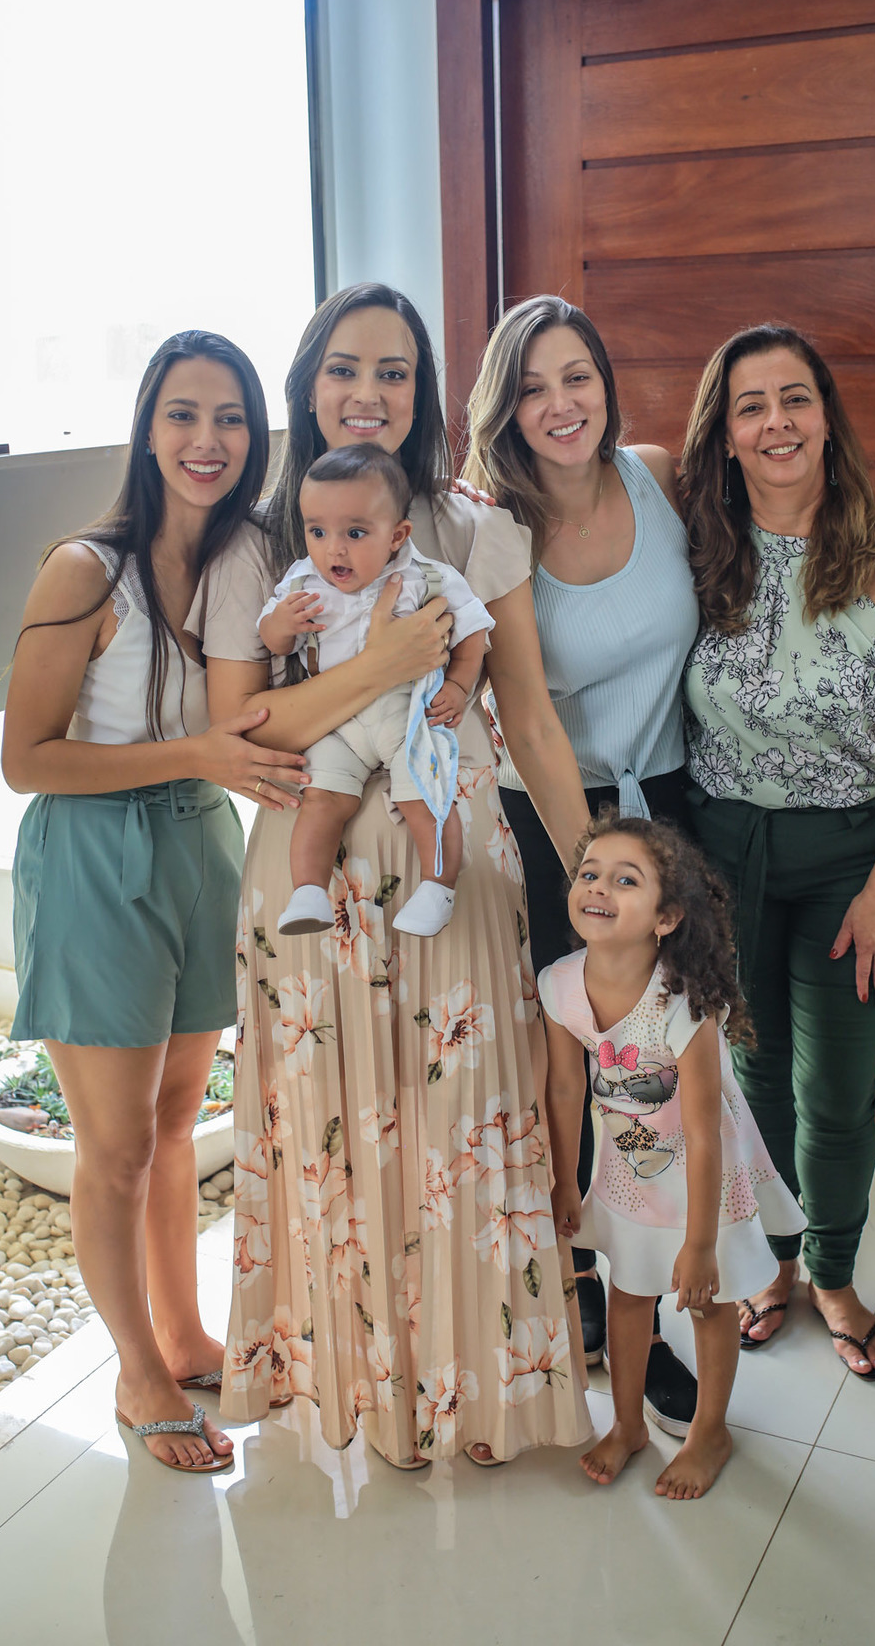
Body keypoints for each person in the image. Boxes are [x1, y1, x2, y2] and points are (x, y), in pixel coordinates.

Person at [189, 283, 593, 1466]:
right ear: (308, 381)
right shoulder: (258, 543)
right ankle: (358, 1389)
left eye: (396, 372)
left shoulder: (471, 527)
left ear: (425, 393)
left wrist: (594, 878)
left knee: (461, 1123)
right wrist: (387, 664)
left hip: (451, 859)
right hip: (309, 872)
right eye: (345, 368)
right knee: (331, 1129)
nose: (368, 393)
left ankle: (475, 1392)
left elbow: (530, 715)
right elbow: (241, 731)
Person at [1, 330, 307, 1472]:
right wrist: (196, 754)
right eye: (183, 414)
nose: (206, 439)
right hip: (94, 853)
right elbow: (26, 760)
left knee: (180, 1122)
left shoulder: (249, 559)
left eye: (229, 417)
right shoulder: (87, 568)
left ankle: (183, 1337)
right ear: (146, 427)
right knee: (118, 1144)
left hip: (201, 843)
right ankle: (136, 1375)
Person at [682, 322, 875, 1378]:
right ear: (725, 435)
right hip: (723, 857)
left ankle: (835, 1277)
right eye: (751, 405)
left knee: (836, 1092)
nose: (776, 422)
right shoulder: (697, 554)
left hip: (857, 860)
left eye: (794, 398)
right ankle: (775, 1263)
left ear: (827, 418)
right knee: (757, 1075)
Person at [462, 295, 701, 1431]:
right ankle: (588, 1298)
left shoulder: (656, 476)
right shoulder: (496, 529)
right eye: (532, 388)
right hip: (562, 820)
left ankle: (655, 1293)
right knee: (584, 1074)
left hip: (677, 806)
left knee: (663, 1070)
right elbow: (528, 716)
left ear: (607, 384)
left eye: (577, 378)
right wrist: (593, 878)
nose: (560, 405)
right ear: (504, 409)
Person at [544, 815, 804, 1498]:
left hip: (703, 1179)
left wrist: (700, 1242)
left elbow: (705, 1132)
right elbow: (567, 1088)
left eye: (625, 880)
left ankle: (708, 1432)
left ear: (665, 919)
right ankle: (628, 1425)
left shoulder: (683, 1004)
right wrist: (566, 1182)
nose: (599, 887)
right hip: (630, 1172)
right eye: (590, 873)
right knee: (630, 1294)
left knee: (707, 1302)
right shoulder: (560, 984)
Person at [258, 444, 492, 939]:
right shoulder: (302, 581)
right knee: (321, 800)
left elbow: (474, 632)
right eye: (317, 531)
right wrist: (280, 624)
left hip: (405, 711)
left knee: (425, 796)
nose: (333, 550)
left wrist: (458, 684)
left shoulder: (425, 578)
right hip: (334, 718)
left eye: (355, 533)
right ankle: (308, 891)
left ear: (397, 535)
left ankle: (438, 887)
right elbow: (274, 641)